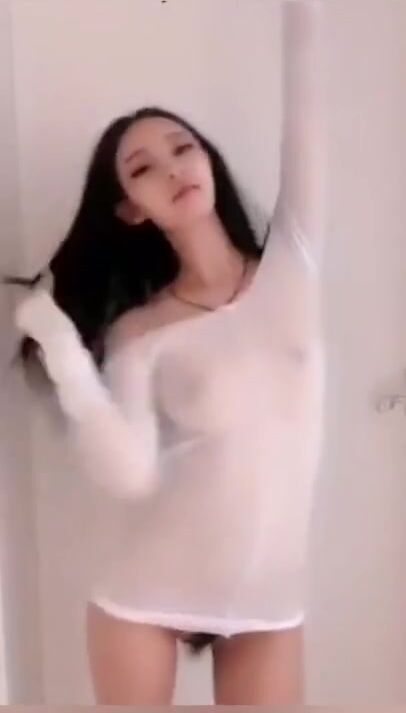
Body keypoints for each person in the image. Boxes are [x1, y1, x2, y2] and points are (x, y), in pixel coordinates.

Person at [10, 0, 326, 705]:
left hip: (270, 603)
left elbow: (307, 113)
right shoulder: (141, 330)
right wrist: (61, 347)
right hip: (146, 593)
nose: (174, 169)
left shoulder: (292, 264)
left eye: (183, 148)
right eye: (143, 168)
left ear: (207, 159)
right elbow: (128, 472)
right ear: (132, 208)